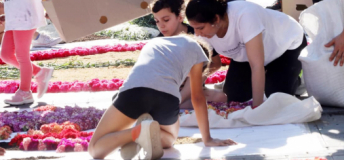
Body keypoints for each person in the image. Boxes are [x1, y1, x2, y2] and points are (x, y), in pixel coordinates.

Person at [88, 34, 235, 160]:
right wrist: (207, 139)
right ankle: (142, 132)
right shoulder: (198, 52)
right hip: (166, 97)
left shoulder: (156, 42)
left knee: (95, 149)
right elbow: (197, 97)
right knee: (169, 139)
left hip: (134, 92)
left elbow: (144, 74)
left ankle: (136, 132)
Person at [186, 0, 307, 106]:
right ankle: (271, 78)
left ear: (216, 19)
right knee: (235, 98)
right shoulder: (203, 33)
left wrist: (257, 107)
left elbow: (257, 66)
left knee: (275, 98)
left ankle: (296, 80)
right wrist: (182, 97)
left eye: (200, 28)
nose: (197, 34)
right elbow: (212, 65)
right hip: (247, 56)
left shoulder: (245, 16)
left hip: (285, 45)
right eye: (194, 28)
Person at [150, 0, 225, 107]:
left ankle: (176, 104)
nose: (161, 26)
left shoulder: (197, 33)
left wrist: (197, 76)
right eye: (157, 21)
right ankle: (176, 104)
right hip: (170, 90)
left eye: (166, 20)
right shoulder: (157, 42)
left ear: (180, 16)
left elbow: (216, 63)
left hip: (195, 87)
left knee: (221, 97)